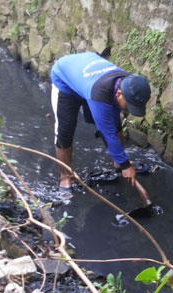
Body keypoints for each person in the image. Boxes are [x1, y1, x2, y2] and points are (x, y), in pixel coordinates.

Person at [50, 52, 151, 195]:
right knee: (64, 132)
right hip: (65, 80)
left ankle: (117, 164)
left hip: (87, 79)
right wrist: (126, 166)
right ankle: (65, 176)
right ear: (119, 94)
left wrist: (122, 164)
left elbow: (114, 126)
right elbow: (107, 133)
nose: (129, 109)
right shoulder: (100, 94)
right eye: (129, 105)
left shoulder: (128, 83)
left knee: (116, 125)